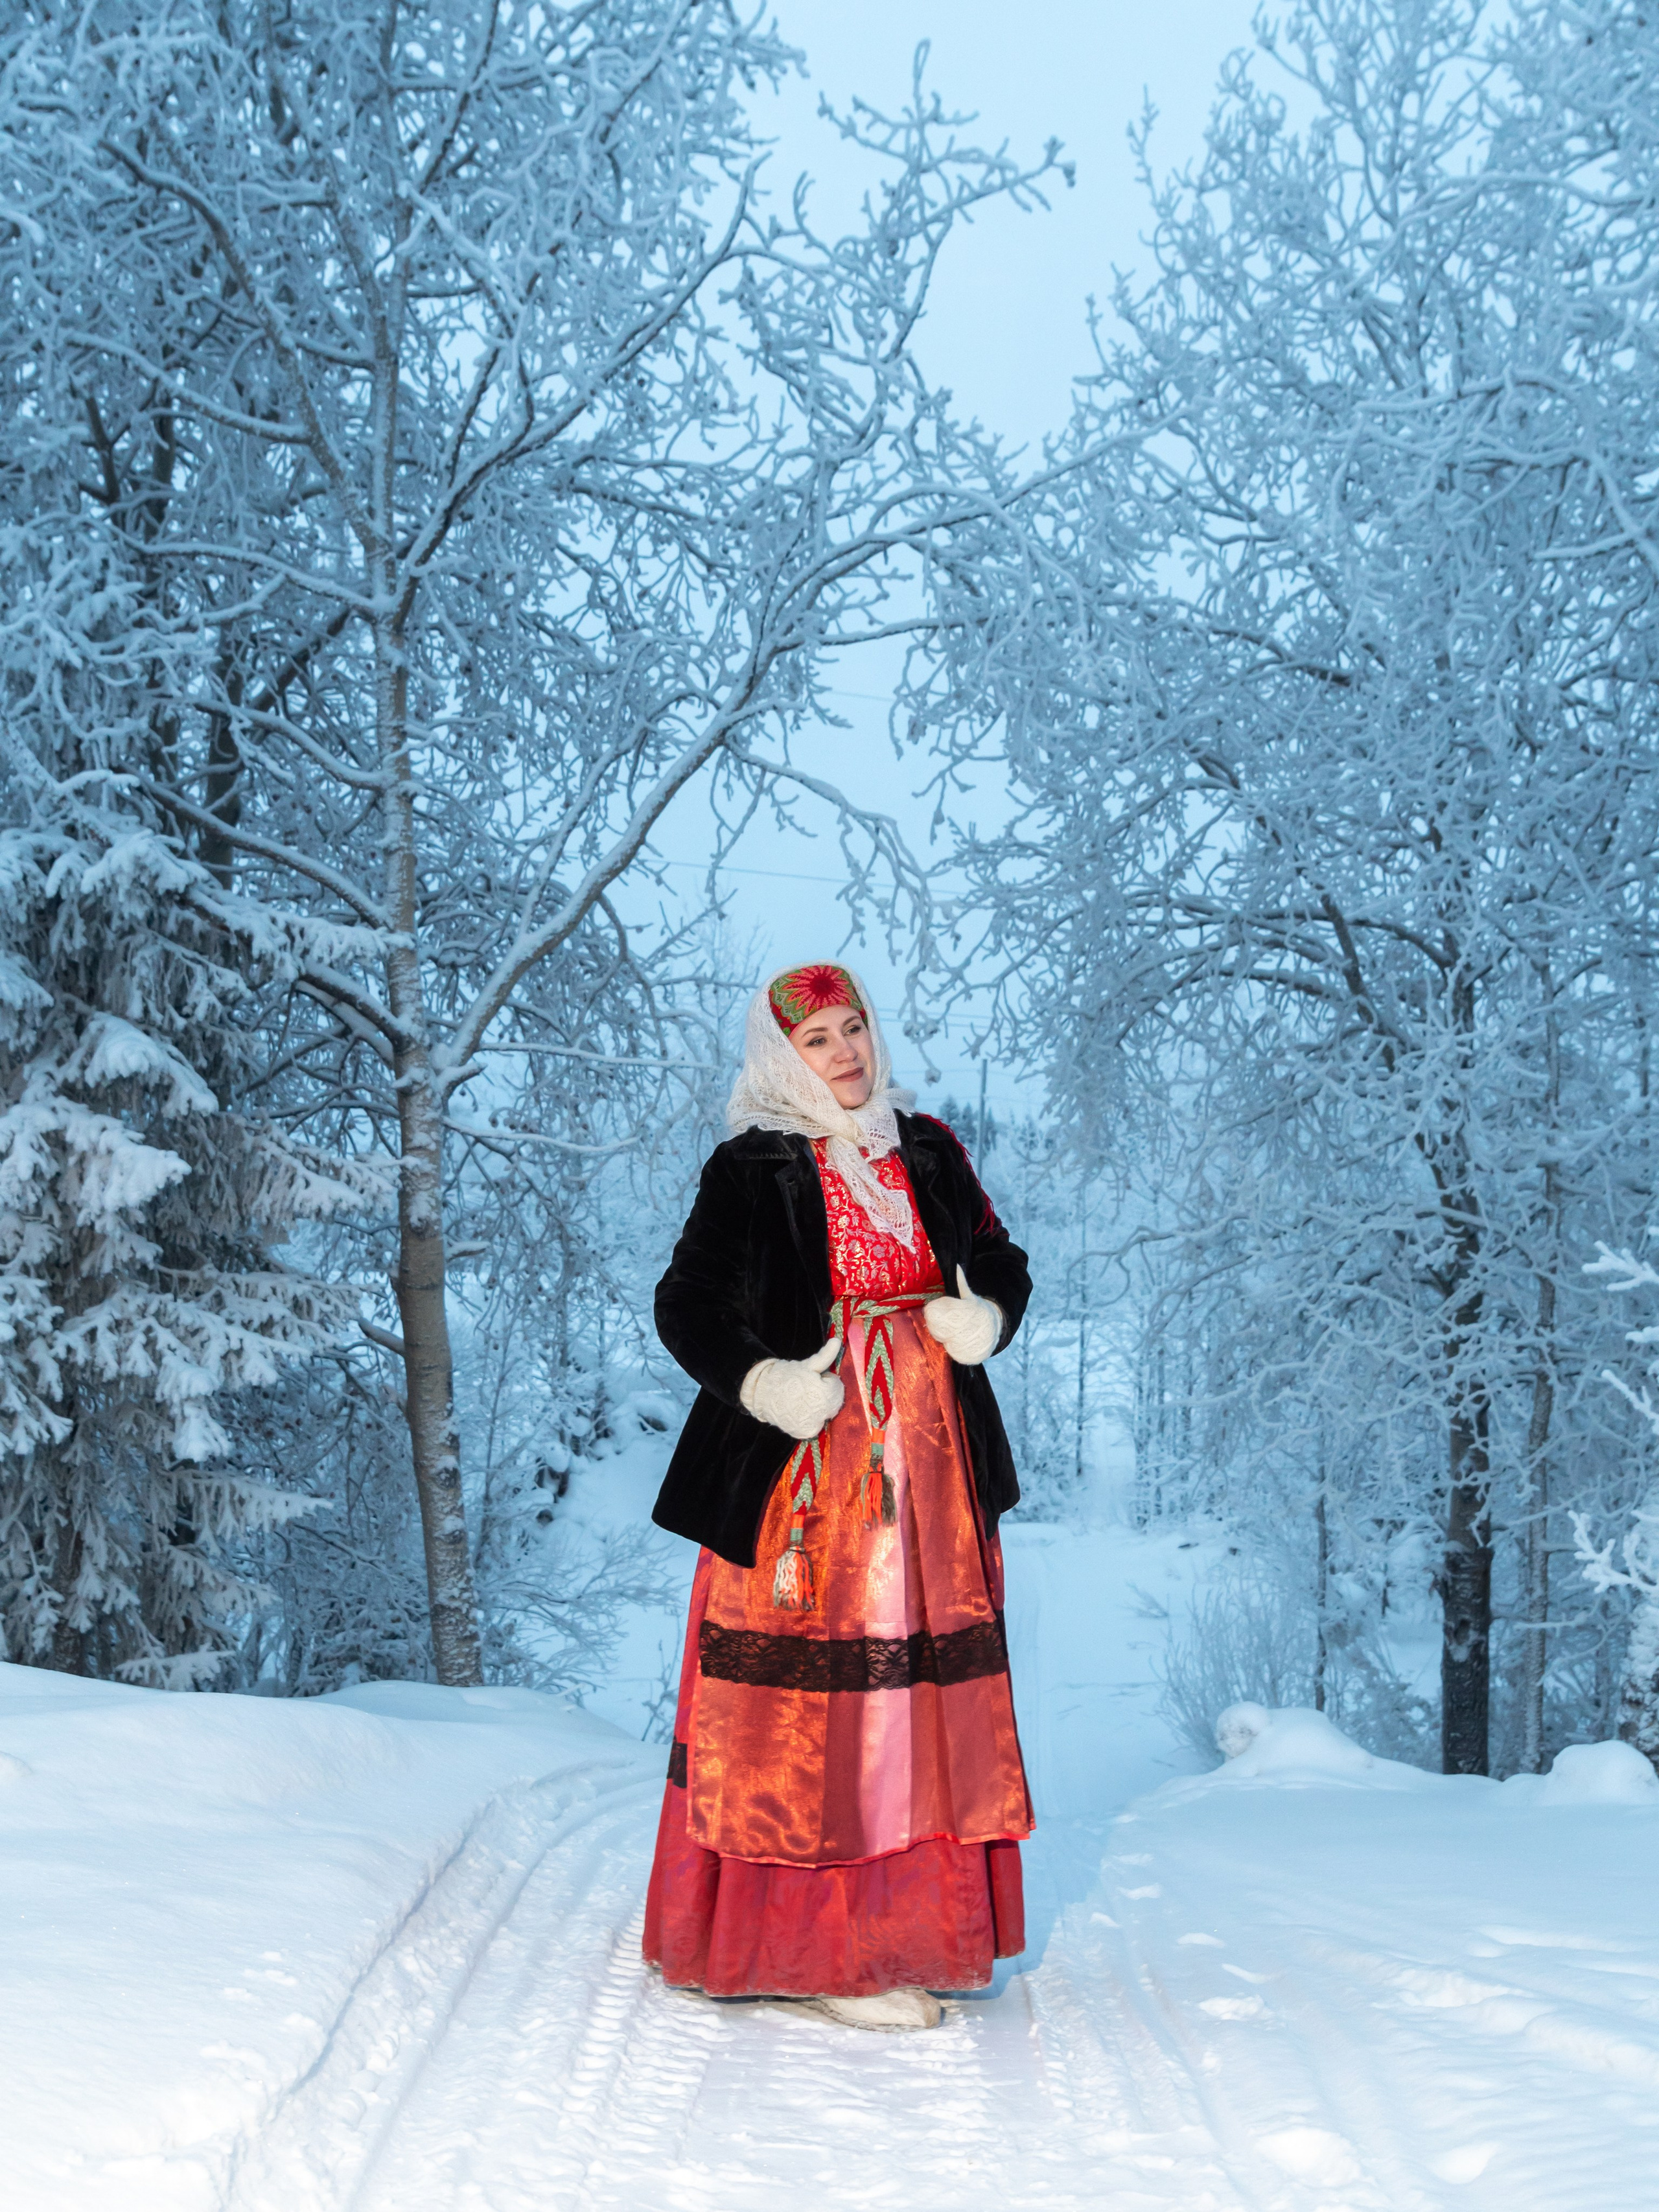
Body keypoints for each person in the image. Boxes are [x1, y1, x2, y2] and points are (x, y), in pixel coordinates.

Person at [643, 960, 1033, 2031]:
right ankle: (823, 1950)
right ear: (784, 1058)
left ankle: (909, 1933)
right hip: (804, 1477)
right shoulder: (751, 1166)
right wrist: (765, 1381)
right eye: (818, 1039)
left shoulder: (928, 1148)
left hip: (931, 1469)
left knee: (914, 1709)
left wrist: (987, 1314)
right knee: (814, 1718)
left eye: (853, 1027)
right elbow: (686, 1302)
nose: (846, 1051)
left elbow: (998, 1254)